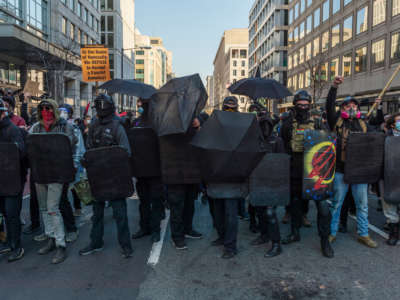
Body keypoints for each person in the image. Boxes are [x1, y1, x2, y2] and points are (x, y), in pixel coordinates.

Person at [326, 76, 382, 248]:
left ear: (358, 108)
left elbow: (378, 128)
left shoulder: (363, 123)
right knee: (337, 204)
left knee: (362, 206)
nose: (351, 107)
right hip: (341, 170)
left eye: (354, 105)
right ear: (342, 108)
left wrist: (379, 108)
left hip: (360, 172)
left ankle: (363, 234)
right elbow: (329, 106)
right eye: (347, 105)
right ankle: (331, 233)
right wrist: (334, 87)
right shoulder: (337, 122)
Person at [280, 90, 334, 258]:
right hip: (295, 169)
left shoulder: (318, 122)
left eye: (306, 104)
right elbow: (283, 144)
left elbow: (326, 142)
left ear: (310, 105)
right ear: (295, 105)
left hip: (315, 170)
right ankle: (295, 232)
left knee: (323, 206)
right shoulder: (288, 123)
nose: (303, 107)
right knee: (295, 203)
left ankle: (324, 241)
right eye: (300, 104)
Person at [79, 94, 133, 258]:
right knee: (97, 214)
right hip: (98, 176)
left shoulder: (118, 126)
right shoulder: (94, 126)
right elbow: (88, 148)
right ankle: (96, 242)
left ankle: (126, 245)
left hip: (115, 177)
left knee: (120, 213)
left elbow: (126, 152)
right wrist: (86, 160)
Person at [29, 99, 78, 264]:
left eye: (48, 108)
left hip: (57, 173)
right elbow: (29, 145)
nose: (45, 111)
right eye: (42, 108)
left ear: (54, 109)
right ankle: (50, 238)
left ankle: (60, 244)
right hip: (40, 172)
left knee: (52, 208)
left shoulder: (65, 127)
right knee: (43, 208)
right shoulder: (36, 127)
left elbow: (70, 144)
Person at [208, 96, 246, 259]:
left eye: (232, 108)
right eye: (227, 108)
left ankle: (230, 246)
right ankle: (222, 237)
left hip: (233, 175)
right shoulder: (214, 124)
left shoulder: (242, 125)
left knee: (231, 214)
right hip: (216, 174)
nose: (230, 111)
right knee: (218, 212)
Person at [251, 112, 285, 257]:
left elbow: (282, 162)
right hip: (258, 181)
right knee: (259, 211)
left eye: (267, 125)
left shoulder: (277, 141)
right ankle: (264, 234)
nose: (265, 128)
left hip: (272, 183)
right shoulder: (255, 141)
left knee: (270, 213)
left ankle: (276, 244)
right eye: (262, 125)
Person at [131, 98, 164, 243]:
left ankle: (155, 230)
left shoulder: (158, 123)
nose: (140, 107)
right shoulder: (136, 123)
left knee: (156, 203)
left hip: (155, 170)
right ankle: (144, 227)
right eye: (139, 104)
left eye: (142, 104)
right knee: (143, 202)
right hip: (141, 170)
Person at [0, 99, 26, 262]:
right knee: (3, 214)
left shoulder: (13, 130)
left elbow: (21, 154)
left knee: (11, 214)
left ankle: (17, 247)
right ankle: (8, 242)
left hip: (13, 180)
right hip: (1, 180)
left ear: (2, 113)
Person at [381, 113, 400, 245]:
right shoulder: (384, 138)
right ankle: (393, 233)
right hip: (389, 176)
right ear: (392, 124)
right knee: (390, 207)